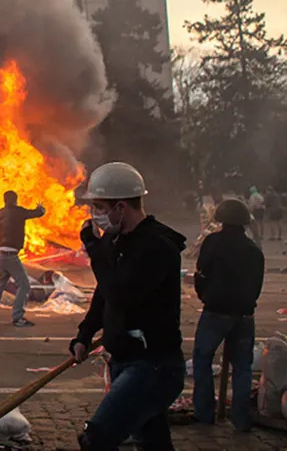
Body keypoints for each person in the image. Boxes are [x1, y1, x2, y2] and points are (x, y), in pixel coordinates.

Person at [69, 162, 187, 450]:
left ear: (120, 207)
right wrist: (84, 334)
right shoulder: (115, 239)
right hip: (123, 359)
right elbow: (104, 294)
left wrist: (93, 250)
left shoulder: (156, 246)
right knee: (153, 441)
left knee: (97, 438)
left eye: (99, 206)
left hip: (153, 366)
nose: (95, 215)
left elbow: (120, 293)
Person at [192, 198, 264, 431]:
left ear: (221, 219)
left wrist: (205, 296)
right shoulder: (254, 250)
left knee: (202, 360)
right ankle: (241, 420)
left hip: (216, 311)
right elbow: (257, 285)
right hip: (244, 314)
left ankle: (204, 414)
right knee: (242, 366)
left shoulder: (213, 242)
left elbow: (201, 273)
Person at [0, 190, 46, 327]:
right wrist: (41, 209)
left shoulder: (0, 213)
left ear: (4, 200)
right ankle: (18, 317)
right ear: (15, 200)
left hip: (0, 253)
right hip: (10, 255)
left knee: (2, 279)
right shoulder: (19, 211)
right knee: (24, 285)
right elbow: (36, 213)